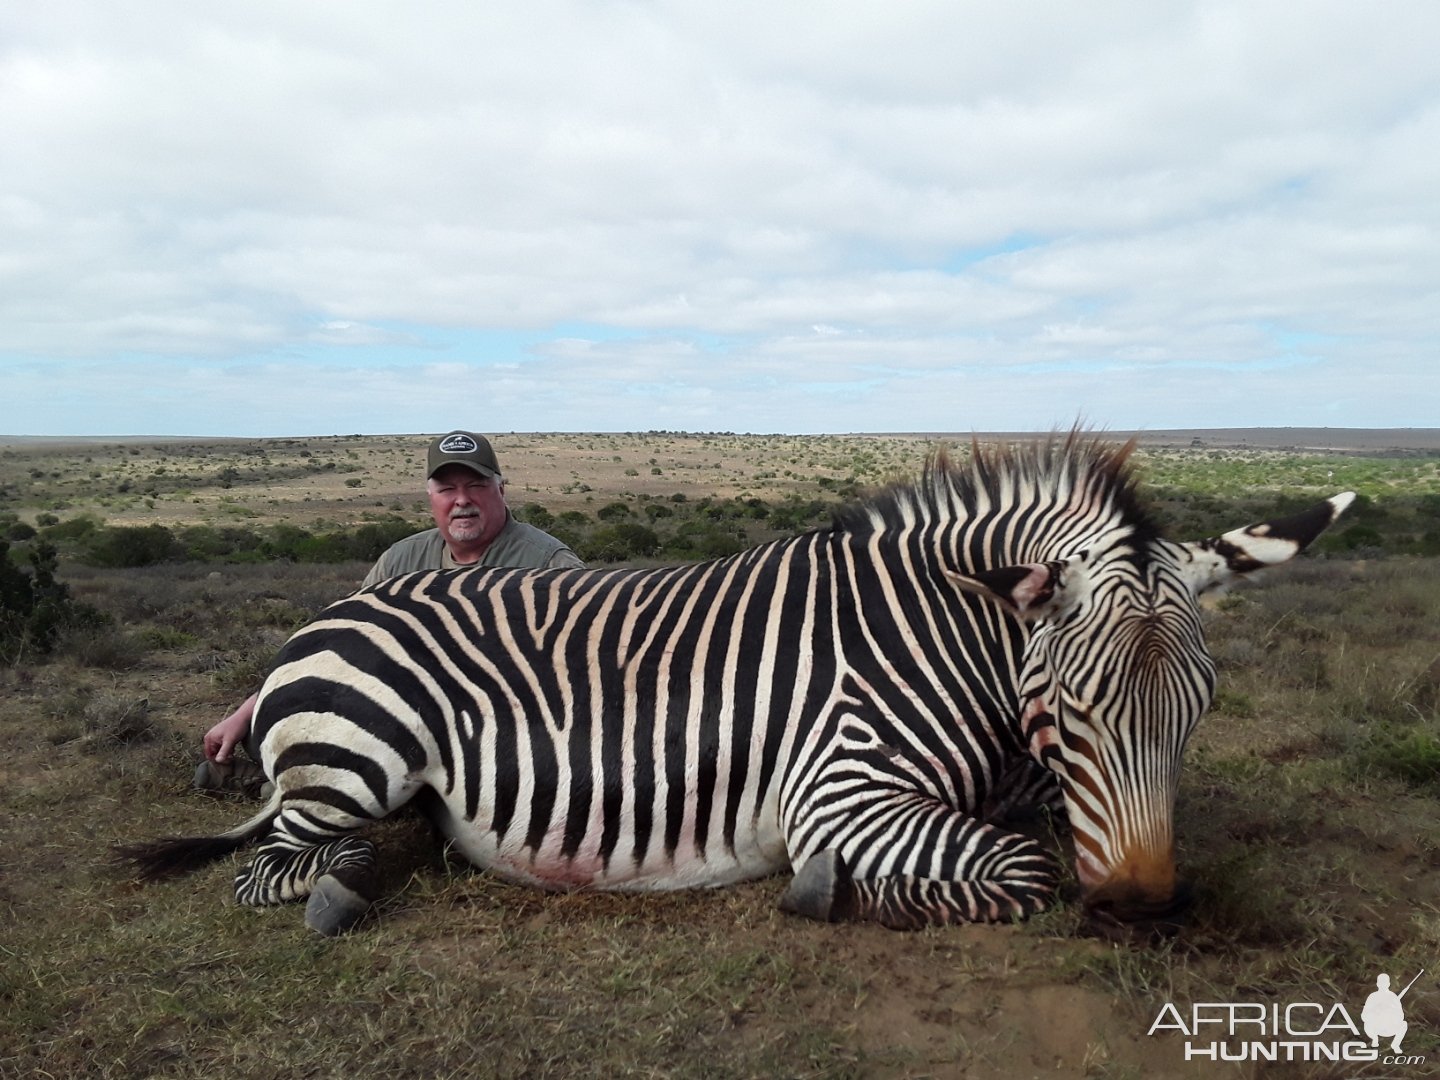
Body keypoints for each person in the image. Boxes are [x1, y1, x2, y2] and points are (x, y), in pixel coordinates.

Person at [196, 430, 583, 793]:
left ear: (501, 490)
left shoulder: (548, 564)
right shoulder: (401, 559)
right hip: (404, 712)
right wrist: (247, 710)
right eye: (447, 489)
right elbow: (339, 645)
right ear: (431, 497)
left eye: (477, 486)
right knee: (274, 722)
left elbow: (580, 675)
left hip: (500, 723)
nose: (462, 500)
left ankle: (276, 788)